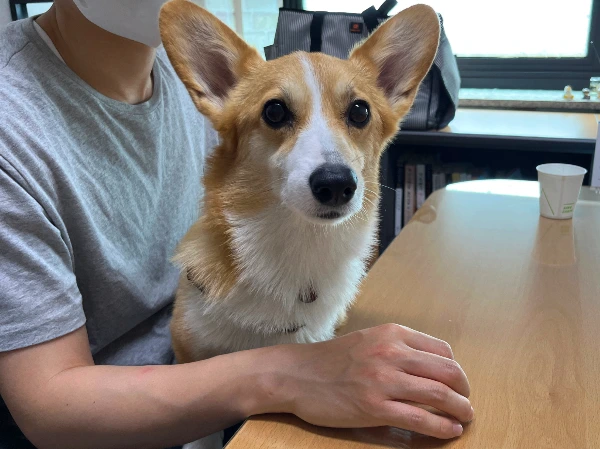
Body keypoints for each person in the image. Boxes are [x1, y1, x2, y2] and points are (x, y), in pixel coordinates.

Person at [0, 1, 474, 448]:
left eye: (356, 113)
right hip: (110, 424)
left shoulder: (182, 75)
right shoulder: (14, 127)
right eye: (277, 114)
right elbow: (49, 409)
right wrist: (294, 373)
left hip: (246, 383)